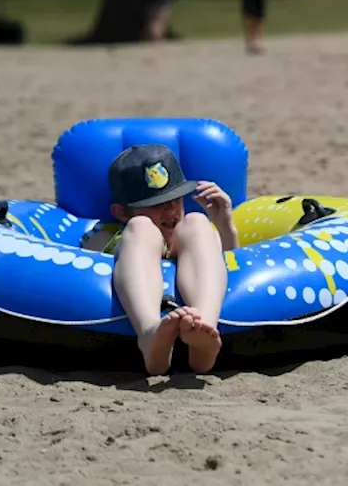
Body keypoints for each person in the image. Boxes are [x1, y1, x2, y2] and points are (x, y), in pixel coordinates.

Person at [82, 144, 237, 375]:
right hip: (139, 264)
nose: (171, 210)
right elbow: (85, 268)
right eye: (155, 204)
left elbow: (233, 264)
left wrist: (225, 225)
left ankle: (204, 328)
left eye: (176, 199)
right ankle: (149, 333)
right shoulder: (112, 234)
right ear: (121, 212)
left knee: (196, 221)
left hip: (193, 294)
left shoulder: (195, 231)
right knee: (142, 227)